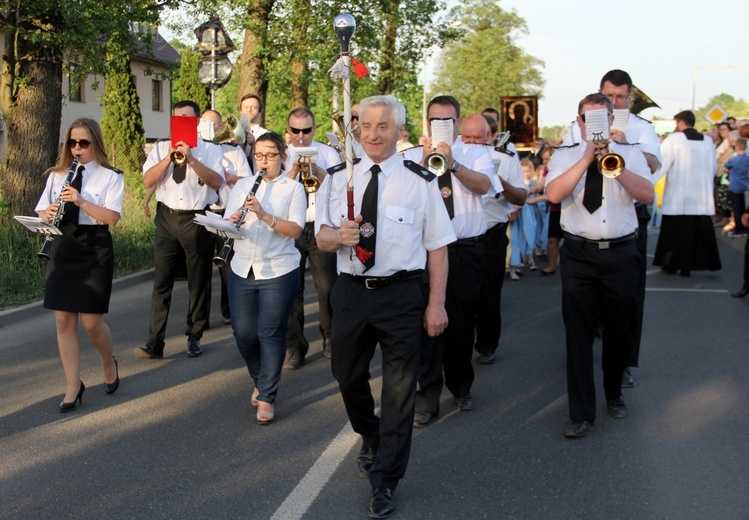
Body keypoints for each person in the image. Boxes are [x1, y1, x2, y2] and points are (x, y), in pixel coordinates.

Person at [316, 95, 454, 519]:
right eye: (366, 125)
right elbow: (319, 238)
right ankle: (369, 434)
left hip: (401, 294)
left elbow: (438, 249)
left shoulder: (420, 180)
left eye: (383, 126)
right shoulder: (338, 179)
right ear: (355, 129)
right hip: (352, 292)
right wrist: (338, 237)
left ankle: (386, 479)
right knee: (346, 374)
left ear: (399, 132)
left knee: (398, 391)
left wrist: (436, 305)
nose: (373, 134)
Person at [545, 93, 654, 439]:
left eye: (601, 118)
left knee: (619, 329)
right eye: (586, 119)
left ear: (610, 120)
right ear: (578, 123)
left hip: (621, 253)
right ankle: (581, 413)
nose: (593, 124)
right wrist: (586, 158)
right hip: (578, 254)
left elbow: (647, 195)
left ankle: (614, 392)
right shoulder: (565, 155)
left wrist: (614, 161)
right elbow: (553, 195)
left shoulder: (632, 152)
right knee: (577, 334)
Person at [403, 97, 497, 427]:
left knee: (459, 322)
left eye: (448, 120)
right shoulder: (412, 157)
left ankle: (460, 384)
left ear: (457, 123)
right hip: (425, 251)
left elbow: (484, 186)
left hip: (463, 249)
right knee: (426, 325)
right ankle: (427, 397)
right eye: (435, 119)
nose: (441, 124)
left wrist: (453, 163)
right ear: (425, 122)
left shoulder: (476, 152)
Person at [567, 69, 663, 388]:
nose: (616, 101)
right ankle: (584, 352)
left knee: (628, 299)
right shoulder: (577, 125)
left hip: (627, 213)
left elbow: (651, 164)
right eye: (610, 95)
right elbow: (566, 160)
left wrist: (623, 144)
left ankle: (622, 363)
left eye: (621, 96)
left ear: (629, 97)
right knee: (584, 303)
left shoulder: (642, 128)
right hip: (585, 217)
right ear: (600, 92)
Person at [35, 118, 124, 411]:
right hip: (63, 245)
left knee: (91, 322)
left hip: (94, 246)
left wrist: (82, 202)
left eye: (83, 143)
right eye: (72, 143)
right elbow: (41, 210)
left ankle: (107, 362)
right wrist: (47, 212)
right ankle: (73, 385)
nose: (77, 149)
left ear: (95, 144)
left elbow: (112, 217)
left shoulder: (110, 176)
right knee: (63, 319)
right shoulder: (57, 174)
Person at [225, 131, 306, 424]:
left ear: (283, 157)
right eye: (259, 155)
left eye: (271, 155)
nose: (264, 161)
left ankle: (267, 396)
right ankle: (260, 379)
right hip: (242, 266)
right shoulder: (243, 185)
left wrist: (263, 215)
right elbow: (227, 221)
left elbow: (296, 230)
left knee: (270, 333)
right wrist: (230, 221)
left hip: (279, 269)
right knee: (244, 333)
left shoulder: (293, 189)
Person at [136, 100, 224, 360]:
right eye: (177, 119)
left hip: (197, 218)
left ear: (196, 122)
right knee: (161, 281)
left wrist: (193, 159)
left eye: (187, 119)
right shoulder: (161, 147)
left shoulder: (210, 150)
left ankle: (194, 336)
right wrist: (168, 157)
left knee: (198, 281)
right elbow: (147, 180)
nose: (182, 122)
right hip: (167, 217)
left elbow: (217, 182)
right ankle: (155, 340)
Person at [283, 108, 341, 369]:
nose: (301, 136)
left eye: (306, 130)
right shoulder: (281, 155)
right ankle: (295, 346)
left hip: (320, 226)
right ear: (289, 131)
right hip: (292, 228)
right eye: (296, 130)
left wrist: (321, 174)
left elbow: (340, 189)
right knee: (291, 291)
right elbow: (275, 191)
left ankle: (329, 335)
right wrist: (294, 171)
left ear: (314, 130)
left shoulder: (327, 153)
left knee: (327, 287)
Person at [472, 113, 526, 365]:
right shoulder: (454, 157)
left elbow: (521, 197)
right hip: (461, 236)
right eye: (467, 136)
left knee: (489, 294)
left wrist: (498, 181)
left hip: (491, 233)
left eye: (479, 137)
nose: (472, 142)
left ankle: (487, 345)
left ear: (492, 136)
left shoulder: (506, 158)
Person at [653, 111, 722, 276]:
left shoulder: (673, 140)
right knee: (696, 233)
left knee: (675, 232)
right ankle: (689, 266)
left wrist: (648, 183)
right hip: (700, 196)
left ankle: (671, 264)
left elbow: (661, 164)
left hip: (678, 195)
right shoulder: (707, 141)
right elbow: (713, 168)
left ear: (680, 122)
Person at [201, 109, 253, 324]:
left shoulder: (234, 151)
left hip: (227, 213)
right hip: (204, 211)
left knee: (226, 265)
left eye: (215, 125)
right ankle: (200, 318)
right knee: (201, 269)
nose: (212, 129)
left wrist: (228, 177)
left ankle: (229, 311)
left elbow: (248, 181)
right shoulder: (199, 150)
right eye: (206, 125)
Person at [724, 137, 749, 237]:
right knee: (744, 209)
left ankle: (739, 229)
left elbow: (725, 165)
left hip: (735, 186)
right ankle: (745, 228)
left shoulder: (734, 160)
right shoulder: (747, 159)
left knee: (737, 209)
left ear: (737, 146)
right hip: (745, 185)